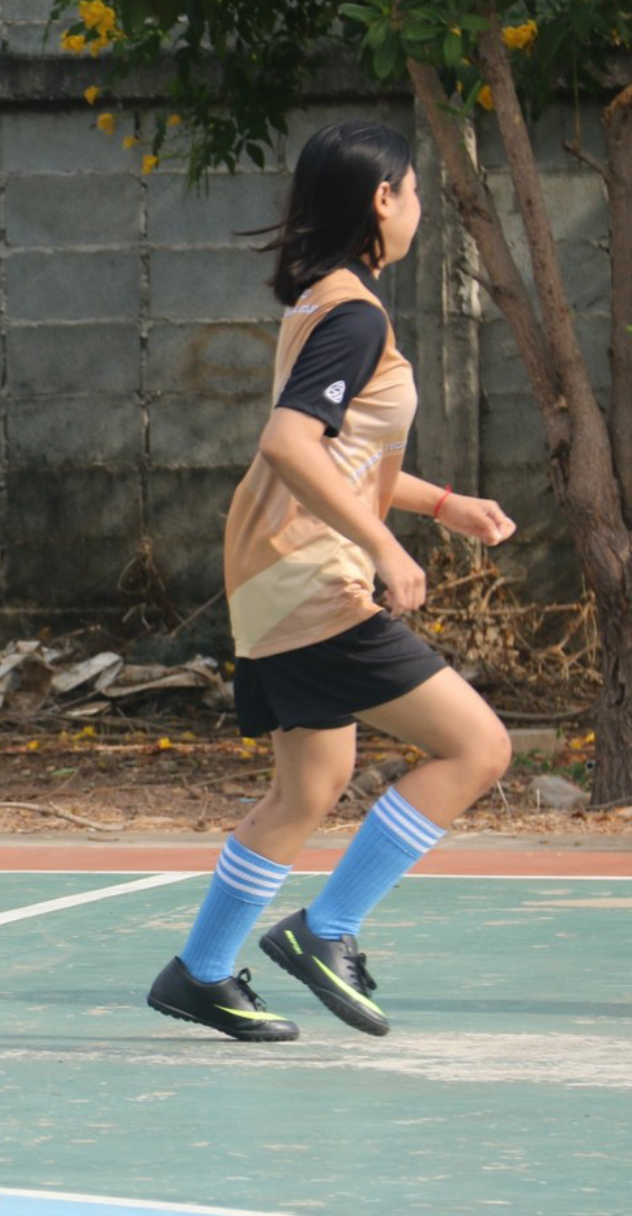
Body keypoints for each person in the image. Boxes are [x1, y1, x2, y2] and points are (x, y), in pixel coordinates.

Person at [147, 119, 516, 1042]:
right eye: (416, 190)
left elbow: (342, 457)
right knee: (479, 748)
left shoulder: (322, 299)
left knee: (309, 784)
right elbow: (288, 443)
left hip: (274, 570)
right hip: (310, 574)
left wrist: (438, 505)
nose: (421, 207)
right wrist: (387, 551)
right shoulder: (355, 312)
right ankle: (328, 930)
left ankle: (200, 971)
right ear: (380, 200)